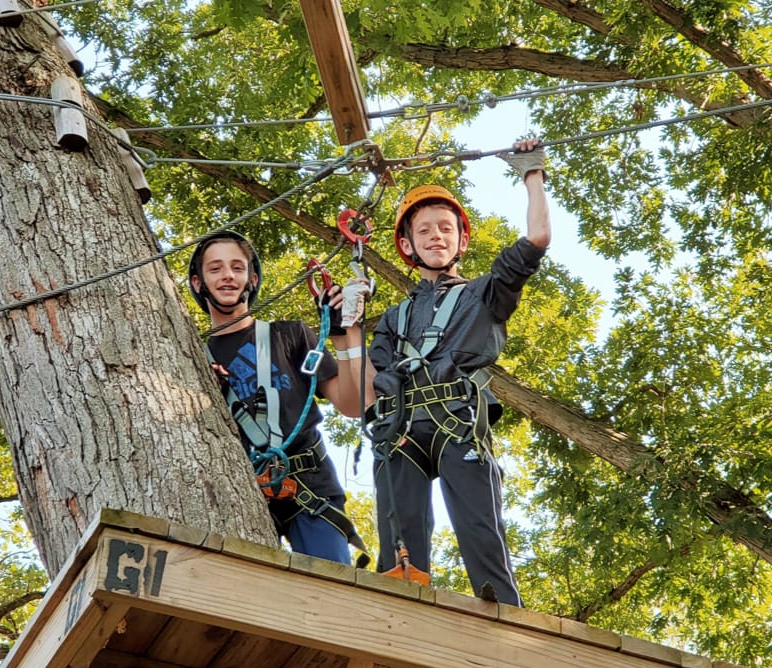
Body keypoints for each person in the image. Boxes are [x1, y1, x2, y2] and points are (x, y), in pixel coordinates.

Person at [366, 137, 550, 605]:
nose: (435, 237)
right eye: (424, 230)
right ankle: (400, 613)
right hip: (403, 429)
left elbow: (536, 241)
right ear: (407, 245)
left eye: (445, 228)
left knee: (481, 535)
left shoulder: (484, 296)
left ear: (461, 239)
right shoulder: (392, 318)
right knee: (399, 551)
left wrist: (532, 174)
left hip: (458, 424)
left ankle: (505, 624)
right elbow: (370, 384)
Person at [187, 230, 374, 564]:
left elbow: (352, 404)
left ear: (252, 278)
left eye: (237, 267)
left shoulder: (289, 336)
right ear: (199, 283)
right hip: (238, 493)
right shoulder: (192, 359)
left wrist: (346, 335)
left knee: (332, 592)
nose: (227, 275)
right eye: (215, 269)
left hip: (309, 486)